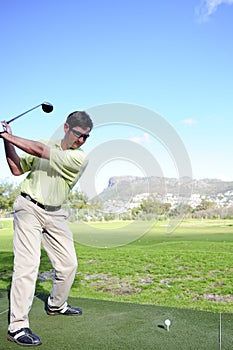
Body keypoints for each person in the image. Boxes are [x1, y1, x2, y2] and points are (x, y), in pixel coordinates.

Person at [0, 110, 93, 347]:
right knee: (27, 266)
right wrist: (5, 140)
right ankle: (17, 326)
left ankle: (56, 304)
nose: (81, 140)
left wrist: (7, 136)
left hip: (56, 213)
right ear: (66, 128)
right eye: (79, 135)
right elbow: (17, 169)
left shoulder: (79, 158)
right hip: (28, 208)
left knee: (69, 264)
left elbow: (39, 152)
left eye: (86, 137)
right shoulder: (44, 143)